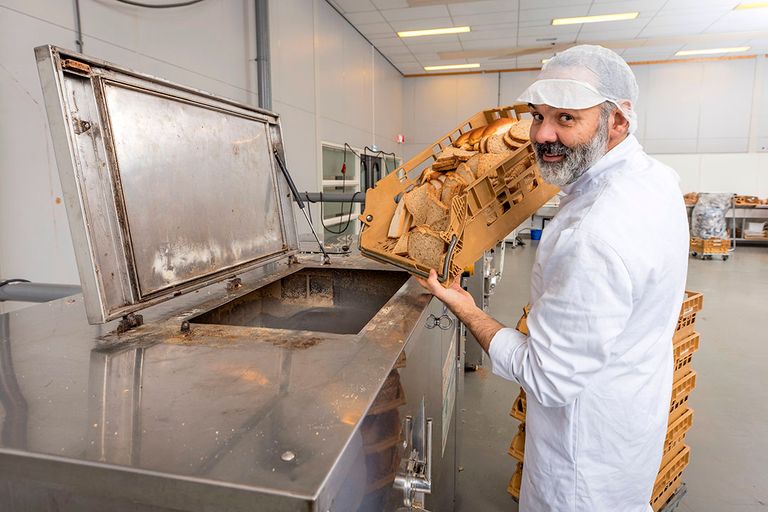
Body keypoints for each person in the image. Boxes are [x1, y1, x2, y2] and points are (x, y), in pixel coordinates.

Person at [418, 45, 689, 511]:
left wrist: (465, 307)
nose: (541, 134)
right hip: (628, 414)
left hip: (580, 461)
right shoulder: (657, 180)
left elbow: (546, 378)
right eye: (537, 115)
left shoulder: (595, 234)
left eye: (566, 118)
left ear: (618, 121)